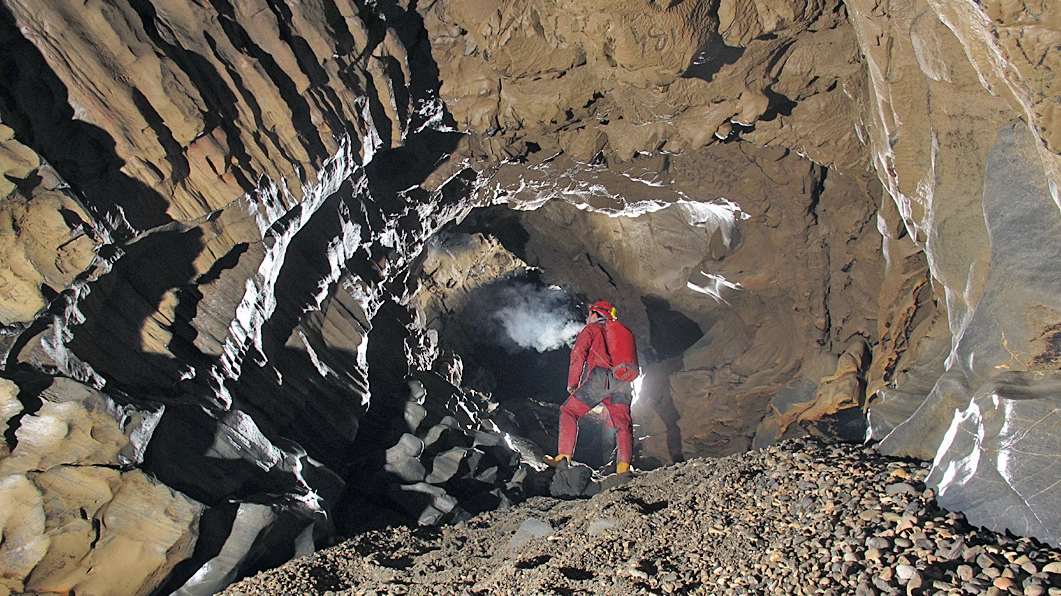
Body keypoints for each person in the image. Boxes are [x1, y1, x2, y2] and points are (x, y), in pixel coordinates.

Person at [547, 301, 637, 474]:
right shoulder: (620, 333)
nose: (587, 318)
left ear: (596, 315)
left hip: (601, 379)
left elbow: (578, 355)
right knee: (623, 424)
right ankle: (624, 467)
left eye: (589, 315)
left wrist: (573, 383)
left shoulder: (591, 329)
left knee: (568, 411)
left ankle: (563, 458)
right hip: (624, 381)